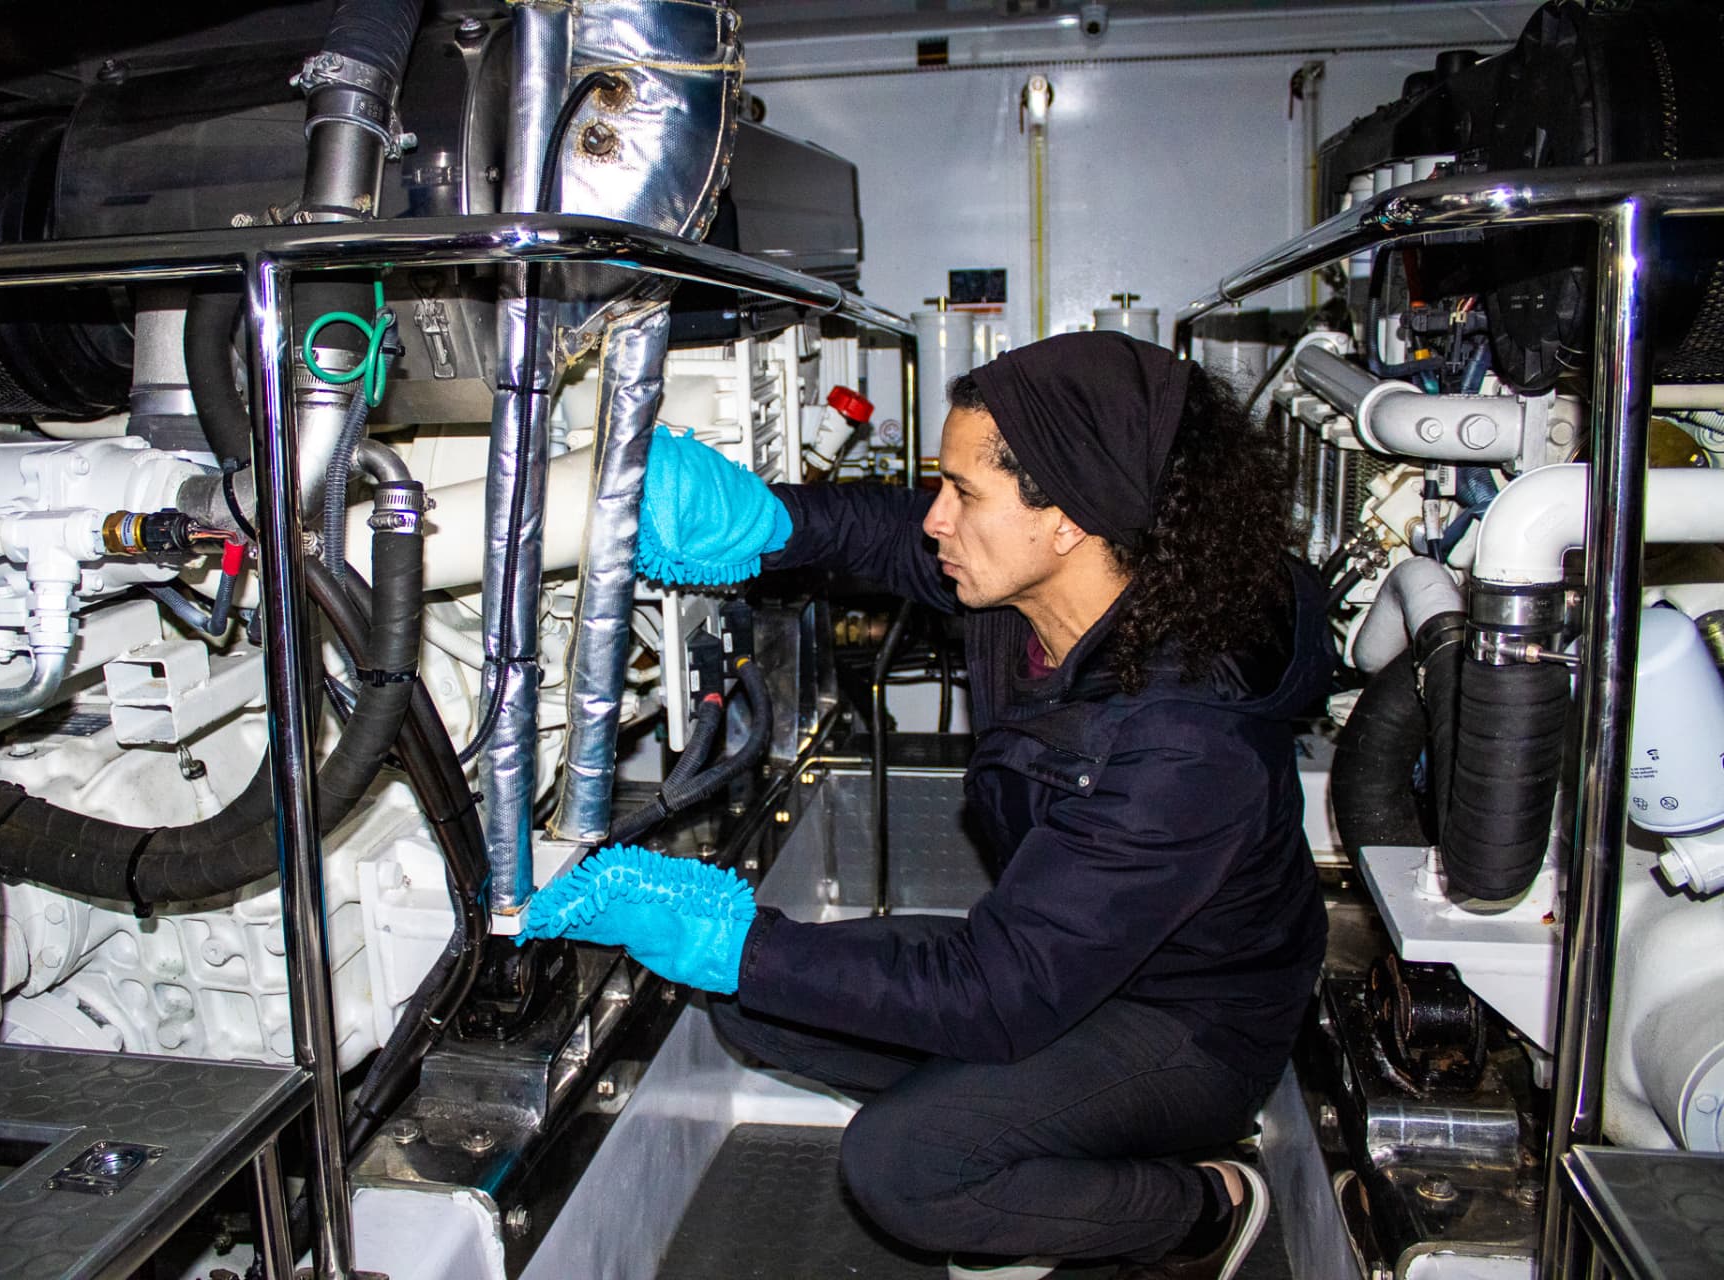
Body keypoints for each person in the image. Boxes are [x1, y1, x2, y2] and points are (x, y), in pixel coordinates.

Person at [520, 331, 1331, 1280]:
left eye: (962, 492)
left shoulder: (1186, 742)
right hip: (1069, 968)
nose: (936, 517)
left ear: (1068, 518)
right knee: (758, 1009)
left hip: (1190, 1024)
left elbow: (998, 992)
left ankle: (1200, 1209)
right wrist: (765, 519)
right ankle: (1050, 1137)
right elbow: (881, 532)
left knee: (905, 1166)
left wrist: (732, 939)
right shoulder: (1035, 593)